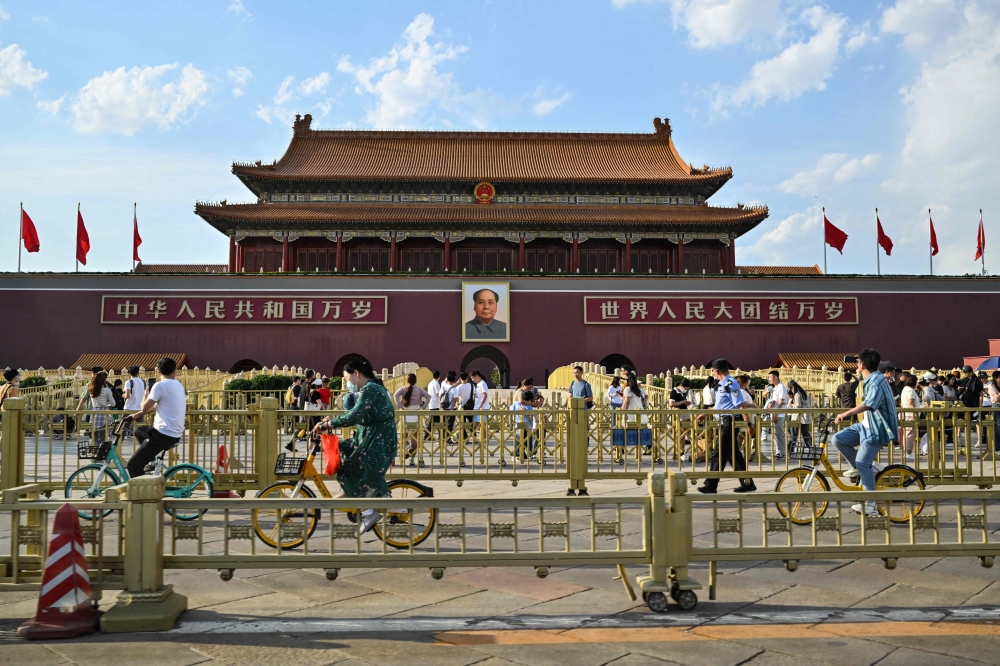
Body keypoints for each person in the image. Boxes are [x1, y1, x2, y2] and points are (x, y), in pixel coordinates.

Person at [313, 360, 398, 534]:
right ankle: (353, 491)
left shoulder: (370, 389)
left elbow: (355, 415)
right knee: (343, 449)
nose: (347, 383)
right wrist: (330, 422)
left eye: (346, 378)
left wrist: (329, 425)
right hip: (371, 436)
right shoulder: (372, 388)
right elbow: (355, 413)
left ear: (356, 373)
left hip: (377, 440)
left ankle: (368, 512)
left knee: (347, 471)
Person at [832, 348, 899, 516]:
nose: (856, 365)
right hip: (866, 425)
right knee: (838, 439)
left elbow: (870, 403)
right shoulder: (871, 378)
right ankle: (862, 466)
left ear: (862, 364)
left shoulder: (876, 381)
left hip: (877, 429)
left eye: (857, 362)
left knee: (863, 463)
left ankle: (871, 505)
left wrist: (846, 413)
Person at [697, 359, 755, 494]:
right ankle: (747, 483)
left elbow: (741, 405)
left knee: (718, 453)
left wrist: (748, 424)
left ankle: (711, 484)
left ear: (717, 371)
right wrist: (705, 413)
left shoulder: (731, 384)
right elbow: (720, 407)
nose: (712, 373)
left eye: (713, 370)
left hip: (729, 424)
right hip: (724, 422)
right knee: (733, 455)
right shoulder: (722, 384)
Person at [124, 358, 187, 478]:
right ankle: (152, 460)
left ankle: (144, 493)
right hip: (174, 433)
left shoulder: (160, 386)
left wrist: (145, 395)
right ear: (175, 371)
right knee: (139, 431)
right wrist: (136, 415)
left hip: (162, 434)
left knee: (133, 465)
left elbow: (145, 407)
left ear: (158, 372)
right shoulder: (178, 385)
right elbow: (159, 406)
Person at [394, 373, 430, 457]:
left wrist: (400, 406)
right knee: (415, 438)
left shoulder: (403, 389)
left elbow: (396, 395)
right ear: (415, 381)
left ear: (407, 381)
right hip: (416, 415)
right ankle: (412, 458)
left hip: (405, 414)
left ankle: (408, 447)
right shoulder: (419, 390)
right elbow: (428, 396)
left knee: (403, 436)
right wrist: (423, 406)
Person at [77, 371, 115, 449]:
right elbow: (113, 403)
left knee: (95, 438)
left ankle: (93, 453)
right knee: (102, 438)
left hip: (94, 415)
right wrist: (107, 400)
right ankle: (98, 455)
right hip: (103, 415)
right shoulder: (107, 390)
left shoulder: (91, 390)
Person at [765, 370, 788, 459]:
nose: (769, 379)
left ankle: (782, 453)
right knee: (775, 434)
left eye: (770, 377)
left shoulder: (781, 387)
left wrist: (776, 414)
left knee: (779, 434)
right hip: (774, 413)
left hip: (779, 415)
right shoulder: (774, 388)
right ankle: (778, 452)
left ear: (776, 377)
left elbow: (781, 402)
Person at [787, 380, 813, 448]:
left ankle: (789, 450)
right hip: (805, 417)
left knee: (793, 435)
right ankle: (813, 448)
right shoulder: (803, 393)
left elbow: (798, 405)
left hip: (798, 417)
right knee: (805, 434)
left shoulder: (797, 394)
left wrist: (791, 404)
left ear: (792, 387)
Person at [899, 373, 920, 457]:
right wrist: (915, 413)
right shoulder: (910, 390)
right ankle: (909, 452)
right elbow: (910, 403)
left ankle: (906, 451)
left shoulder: (905, 389)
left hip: (905, 413)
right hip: (910, 414)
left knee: (906, 433)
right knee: (910, 434)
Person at [123, 366, 146, 436]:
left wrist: (123, 395)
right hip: (139, 408)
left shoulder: (128, 382)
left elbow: (127, 396)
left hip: (129, 407)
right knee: (140, 428)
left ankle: (119, 442)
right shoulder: (143, 382)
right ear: (138, 373)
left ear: (129, 373)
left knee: (124, 426)